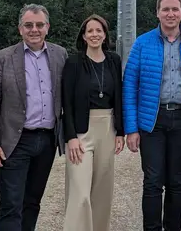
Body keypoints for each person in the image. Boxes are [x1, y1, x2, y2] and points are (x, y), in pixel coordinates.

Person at [122, 0, 181, 231]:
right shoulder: (142, 43)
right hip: (151, 121)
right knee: (152, 182)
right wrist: (131, 128)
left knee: (176, 182)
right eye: (165, 9)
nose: (170, 14)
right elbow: (130, 85)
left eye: (175, 9)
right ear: (157, 13)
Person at [0, 4, 68, 231]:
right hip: (15, 142)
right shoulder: (3, 58)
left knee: (33, 202)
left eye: (39, 25)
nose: (34, 30)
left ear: (47, 27)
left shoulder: (60, 55)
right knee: (11, 205)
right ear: (20, 29)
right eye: (28, 25)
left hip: (47, 141)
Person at [61, 14, 125, 231]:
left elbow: (120, 97)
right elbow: (66, 102)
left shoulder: (114, 60)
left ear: (105, 35)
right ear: (84, 35)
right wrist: (70, 137)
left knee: (102, 191)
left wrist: (120, 132)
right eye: (90, 31)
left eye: (99, 30)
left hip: (107, 127)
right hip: (81, 131)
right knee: (80, 194)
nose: (95, 34)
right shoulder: (73, 62)